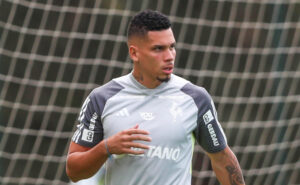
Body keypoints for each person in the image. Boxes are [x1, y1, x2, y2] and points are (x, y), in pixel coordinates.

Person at [66, 10, 245, 185]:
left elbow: (222, 159)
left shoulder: (195, 98)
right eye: (158, 49)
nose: (169, 57)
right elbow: (74, 172)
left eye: (172, 47)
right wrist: (106, 148)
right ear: (134, 53)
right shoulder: (102, 99)